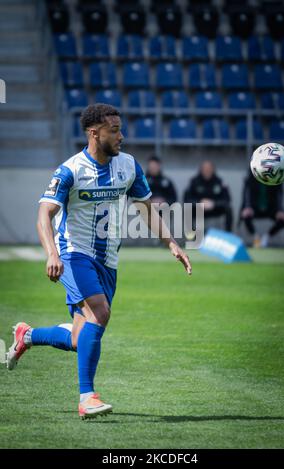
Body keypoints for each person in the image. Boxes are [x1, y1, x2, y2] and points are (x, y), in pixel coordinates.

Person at [6, 104, 192, 420]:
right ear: (95, 133)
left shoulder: (129, 166)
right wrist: (52, 253)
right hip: (73, 253)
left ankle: (27, 335)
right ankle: (87, 397)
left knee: (82, 339)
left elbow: (145, 209)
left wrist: (171, 242)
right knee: (100, 311)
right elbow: (44, 215)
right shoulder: (70, 170)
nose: (122, 136)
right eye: (114, 130)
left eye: (120, 129)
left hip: (109, 261)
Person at [240, 171, 284, 247]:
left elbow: (279, 194)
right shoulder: (251, 177)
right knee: (246, 215)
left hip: (271, 208)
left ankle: (266, 237)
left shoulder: (275, 177)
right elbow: (247, 193)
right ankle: (256, 237)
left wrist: (280, 210)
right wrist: (247, 206)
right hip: (254, 208)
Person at [184, 161, 233, 236]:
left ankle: (228, 236)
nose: (207, 170)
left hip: (215, 209)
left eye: (209, 168)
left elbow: (227, 200)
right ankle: (191, 237)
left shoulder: (220, 182)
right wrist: (199, 203)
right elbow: (187, 199)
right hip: (198, 209)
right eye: (205, 168)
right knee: (187, 209)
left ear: (213, 169)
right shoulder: (194, 181)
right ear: (201, 169)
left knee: (228, 209)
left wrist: (213, 204)